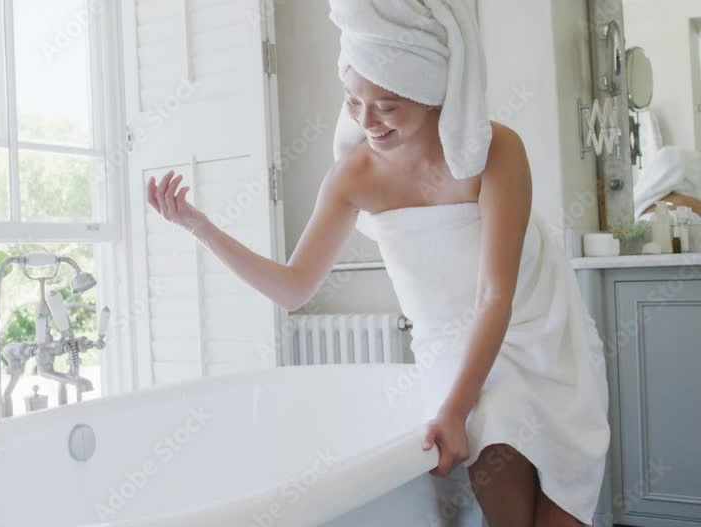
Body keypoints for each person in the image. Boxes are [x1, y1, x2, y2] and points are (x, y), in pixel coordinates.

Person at [146, 1, 610, 525]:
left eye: (386, 105)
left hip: (535, 334)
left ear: (433, 95)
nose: (368, 121)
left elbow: (494, 295)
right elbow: (294, 289)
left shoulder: (495, 150)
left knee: (563, 509)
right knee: (499, 445)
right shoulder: (354, 176)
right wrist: (199, 227)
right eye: (353, 102)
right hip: (452, 351)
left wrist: (454, 410)